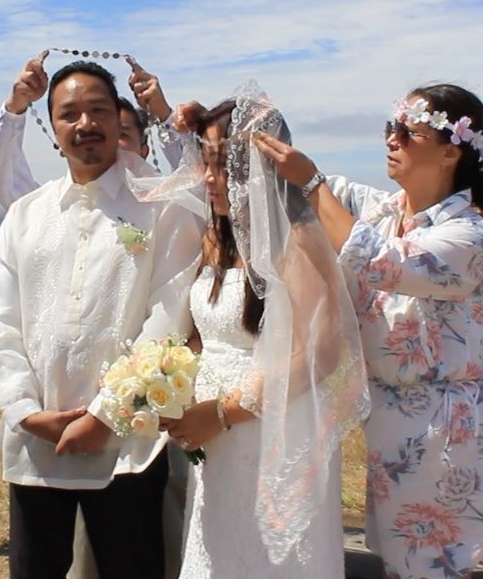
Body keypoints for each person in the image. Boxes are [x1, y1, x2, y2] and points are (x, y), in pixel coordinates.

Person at [0, 60, 202, 578]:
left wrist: (104, 415)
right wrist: (24, 408)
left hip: (126, 443)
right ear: (53, 129)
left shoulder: (161, 209)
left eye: (98, 109)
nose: (85, 124)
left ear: (118, 116)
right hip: (39, 443)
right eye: (69, 114)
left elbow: (169, 317)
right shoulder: (27, 213)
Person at [255, 84, 483, 579]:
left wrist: (312, 181)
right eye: (390, 128)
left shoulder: (469, 233)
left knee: (438, 565)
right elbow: (288, 178)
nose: (393, 139)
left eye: (409, 131)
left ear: (451, 152)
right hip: (387, 421)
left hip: (444, 428)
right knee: (398, 561)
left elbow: (379, 261)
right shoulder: (383, 209)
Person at [149, 88, 369, 577]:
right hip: (218, 441)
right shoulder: (219, 234)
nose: (208, 177)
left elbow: (322, 352)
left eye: (222, 164)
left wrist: (223, 413)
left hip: (274, 436)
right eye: (204, 162)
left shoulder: (298, 240)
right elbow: (207, 331)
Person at [0, 52, 184, 209]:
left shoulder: (165, 209)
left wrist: (165, 114)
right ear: (58, 140)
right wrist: (15, 107)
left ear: (143, 149)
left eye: (122, 134)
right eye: (70, 115)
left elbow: (197, 181)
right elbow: (5, 181)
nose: (87, 126)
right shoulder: (46, 208)